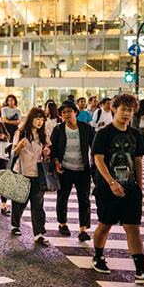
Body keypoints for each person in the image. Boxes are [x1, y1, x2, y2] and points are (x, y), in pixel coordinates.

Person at [90, 94, 144, 284]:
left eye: (130, 110)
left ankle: (140, 270)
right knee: (105, 225)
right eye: (123, 109)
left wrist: (139, 186)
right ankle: (98, 256)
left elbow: (137, 160)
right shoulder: (103, 134)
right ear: (114, 109)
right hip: (107, 189)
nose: (126, 113)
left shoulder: (136, 134)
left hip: (130, 190)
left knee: (133, 228)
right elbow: (98, 159)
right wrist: (111, 182)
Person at [49, 100, 95, 242]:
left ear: (75, 112)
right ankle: (63, 224)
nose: (66, 114)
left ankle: (83, 229)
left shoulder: (85, 128)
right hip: (65, 168)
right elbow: (52, 148)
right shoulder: (59, 129)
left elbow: (95, 146)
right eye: (63, 112)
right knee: (63, 197)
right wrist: (56, 162)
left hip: (83, 169)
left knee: (84, 199)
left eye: (69, 111)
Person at [9, 107, 50, 246]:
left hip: (37, 174)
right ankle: (15, 225)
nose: (40, 121)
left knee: (38, 205)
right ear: (31, 118)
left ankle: (38, 234)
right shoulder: (20, 133)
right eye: (37, 118)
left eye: (42, 119)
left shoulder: (43, 135)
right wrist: (19, 146)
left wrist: (47, 152)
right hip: (21, 173)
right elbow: (13, 154)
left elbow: (49, 151)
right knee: (19, 202)